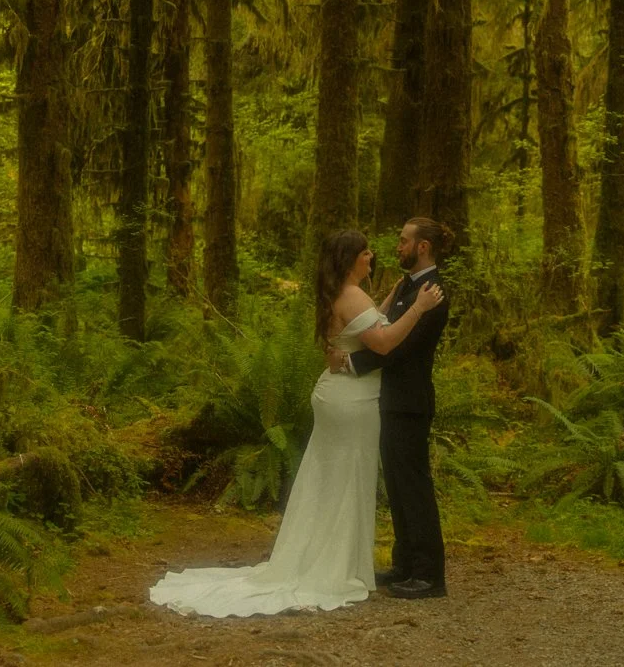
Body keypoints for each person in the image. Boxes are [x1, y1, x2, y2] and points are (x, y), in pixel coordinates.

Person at [148, 229, 444, 618]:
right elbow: (385, 340)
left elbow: (367, 323)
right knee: (346, 480)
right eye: (365, 251)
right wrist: (417, 308)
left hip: (338, 395)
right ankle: (335, 565)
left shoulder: (341, 292)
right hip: (351, 401)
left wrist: (393, 300)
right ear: (350, 257)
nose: (373, 255)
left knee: (329, 478)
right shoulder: (352, 295)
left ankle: (333, 557)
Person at [337, 216, 453, 599]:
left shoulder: (432, 293)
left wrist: (354, 364)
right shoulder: (409, 285)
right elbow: (384, 326)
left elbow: (398, 347)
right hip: (391, 402)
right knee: (399, 488)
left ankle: (429, 575)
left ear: (422, 247)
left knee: (414, 487)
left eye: (404, 241)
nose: (397, 246)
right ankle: (405, 563)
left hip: (409, 403)